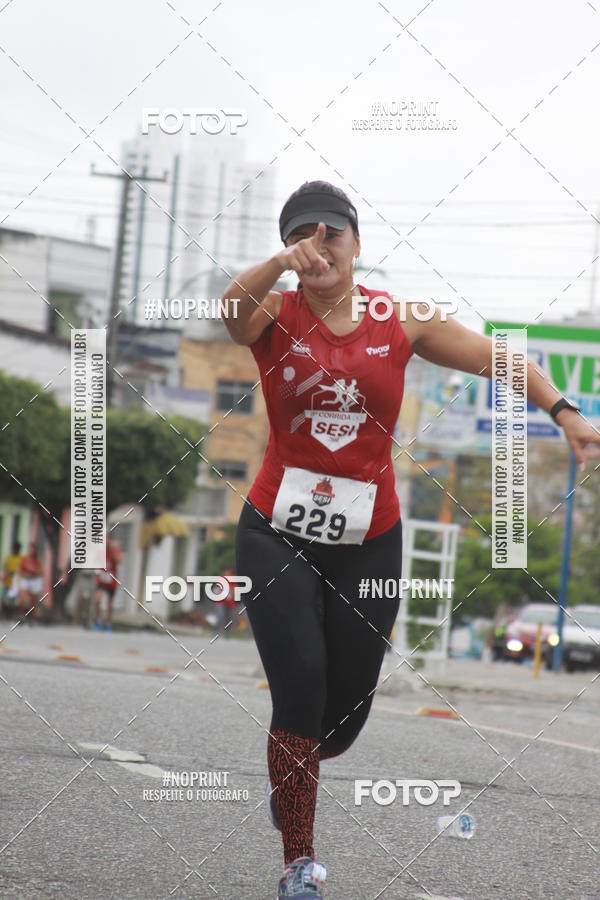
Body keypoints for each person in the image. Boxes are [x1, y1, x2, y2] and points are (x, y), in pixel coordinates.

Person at [221, 180, 600, 898]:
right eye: (304, 235)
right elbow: (231, 313)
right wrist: (278, 264)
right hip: (276, 528)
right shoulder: (275, 310)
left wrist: (565, 411)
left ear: (358, 243)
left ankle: (295, 769)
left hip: (370, 535)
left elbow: (499, 357)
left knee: (345, 713)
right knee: (298, 685)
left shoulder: (402, 320)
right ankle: (299, 861)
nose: (320, 246)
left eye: (333, 233)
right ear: (290, 247)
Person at [92, 536, 122, 631]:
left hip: (111, 580)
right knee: (97, 599)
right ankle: (98, 620)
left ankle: (108, 623)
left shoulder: (115, 550)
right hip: (102, 579)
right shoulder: (100, 551)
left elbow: (119, 561)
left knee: (110, 603)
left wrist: (113, 551)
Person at [17, 542, 44, 626]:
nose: (31, 551)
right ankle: (22, 616)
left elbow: (41, 572)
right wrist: (25, 573)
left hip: (35, 580)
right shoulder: (25, 558)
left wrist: (32, 570)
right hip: (25, 580)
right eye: (30, 549)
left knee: (33, 602)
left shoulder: (38, 560)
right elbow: (20, 569)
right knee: (22, 600)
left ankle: (32, 619)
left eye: (33, 549)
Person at [1, 541, 22, 618]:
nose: (16, 550)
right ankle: (3, 614)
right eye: (15, 548)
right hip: (7, 581)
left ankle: (10, 615)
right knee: (3, 598)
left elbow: (20, 570)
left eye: (17, 549)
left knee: (12, 600)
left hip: (15, 583)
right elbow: (5, 568)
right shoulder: (8, 558)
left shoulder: (21, 558)